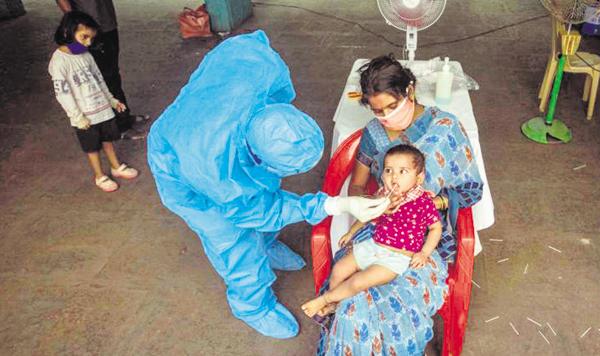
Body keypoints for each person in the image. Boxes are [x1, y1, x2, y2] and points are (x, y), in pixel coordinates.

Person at [147, 30, 389, 339]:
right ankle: (252, 304)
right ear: (256, 157)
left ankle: (267, 243)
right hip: (178, 161)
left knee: (266, 192)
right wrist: (336, 204)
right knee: (234, 239)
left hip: (212, 121)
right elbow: (254, 211)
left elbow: (249, 41)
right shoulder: (214, 172)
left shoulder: (261, 70)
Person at [316, 55, 484, 355]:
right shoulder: (374, 134)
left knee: (395, 306)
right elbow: (357, 183)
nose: (385, 116)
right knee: (352, 301)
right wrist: (374, 204)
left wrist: (434, 201)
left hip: (424, 243)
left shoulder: (445, 128)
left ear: (409, 90)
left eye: (392, 107)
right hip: (378, 231)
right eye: (376, 110)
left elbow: (471, 190)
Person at [301, 144, 442, 318]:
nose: (394, 176)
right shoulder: (383, 194)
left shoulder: (423, 202)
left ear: (419, 178)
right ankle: (335, 305)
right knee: (339, 268)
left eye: (402, 171)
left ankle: (325, 300)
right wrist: (351, 232)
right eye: (389, 170)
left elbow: (436, 227)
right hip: (373, 245)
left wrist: (424, 253)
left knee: (358, 281)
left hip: (396, 258)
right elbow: (367, 214)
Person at [49, 11, 139, 192]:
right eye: (84, 37)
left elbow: (99, 80)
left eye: (91, 38)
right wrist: (77, 116)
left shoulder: (86, 55)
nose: (88, 43)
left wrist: (112, 100)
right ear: (67, 32)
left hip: (102, 109)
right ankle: (100, 176)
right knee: (92, 147)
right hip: (85, 116)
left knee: (108, 140)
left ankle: (116, 167)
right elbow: (63, 94)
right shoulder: (59, 62)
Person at [56, 0, 149, 140]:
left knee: (113, 73)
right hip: (86, 29)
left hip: (107, 24)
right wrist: (74, 23)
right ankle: (119, 126)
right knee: (103, 77)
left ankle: (123, 115)